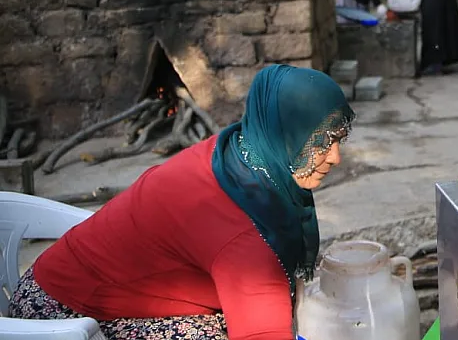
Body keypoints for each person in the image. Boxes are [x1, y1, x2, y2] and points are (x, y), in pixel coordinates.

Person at [9, 65, 356, 339]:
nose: (335, 157)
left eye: (337, 138)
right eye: (321, 141)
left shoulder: (234, 152)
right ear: (283, 135)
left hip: (60, 281)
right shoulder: (246, 239)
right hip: (62, 314)